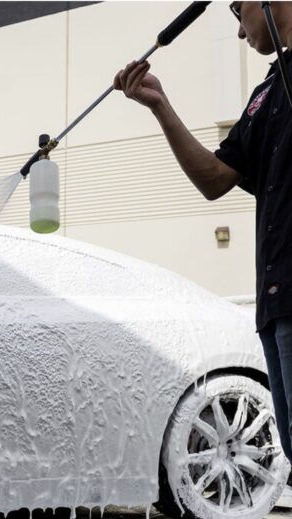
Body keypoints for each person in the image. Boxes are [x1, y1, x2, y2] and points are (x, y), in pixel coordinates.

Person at [113, 1, 292, 466]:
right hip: (276, 301)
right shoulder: (268, 90)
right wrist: (160, 106)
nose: (238, 32)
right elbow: (214, 178)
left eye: (237, 11)